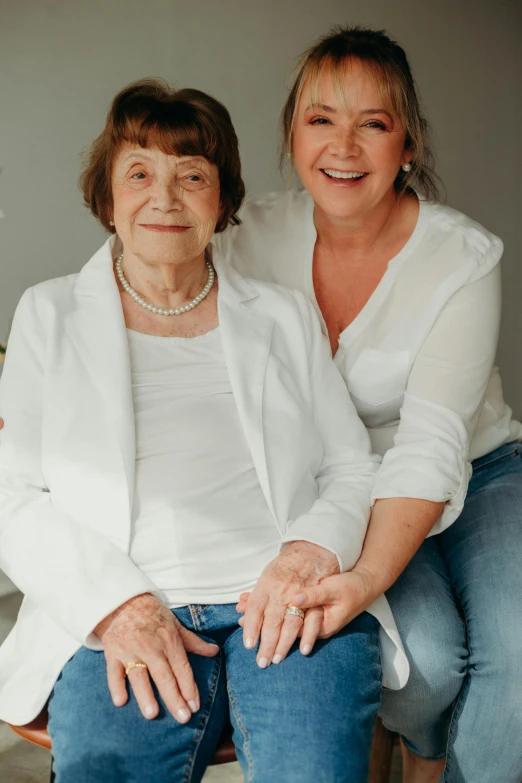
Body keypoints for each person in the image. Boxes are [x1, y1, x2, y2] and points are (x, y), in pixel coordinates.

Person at [0, 78, 403, 783]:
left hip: (284, 605)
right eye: (139, 173)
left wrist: (308, 552)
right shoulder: (49, 314)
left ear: (222, 200)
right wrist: (118, 606)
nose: (165, 196)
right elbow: (12, 492)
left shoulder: (281, 316)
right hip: (122, 606)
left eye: (192, 175)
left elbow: (351, 465)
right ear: (108, 196)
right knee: (103, 769)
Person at [218, 26, 522, 783]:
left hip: (478, 470)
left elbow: (430, 446)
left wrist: (363, 579)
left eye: (374, 123)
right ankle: (418, 739)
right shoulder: (245, 237)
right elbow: (144, 257)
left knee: (516, 652)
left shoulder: (463, 257)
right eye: (322, 118)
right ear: (292, 136)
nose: (344, 146)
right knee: (422, 665)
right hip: (345, 484)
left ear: (408, 145)